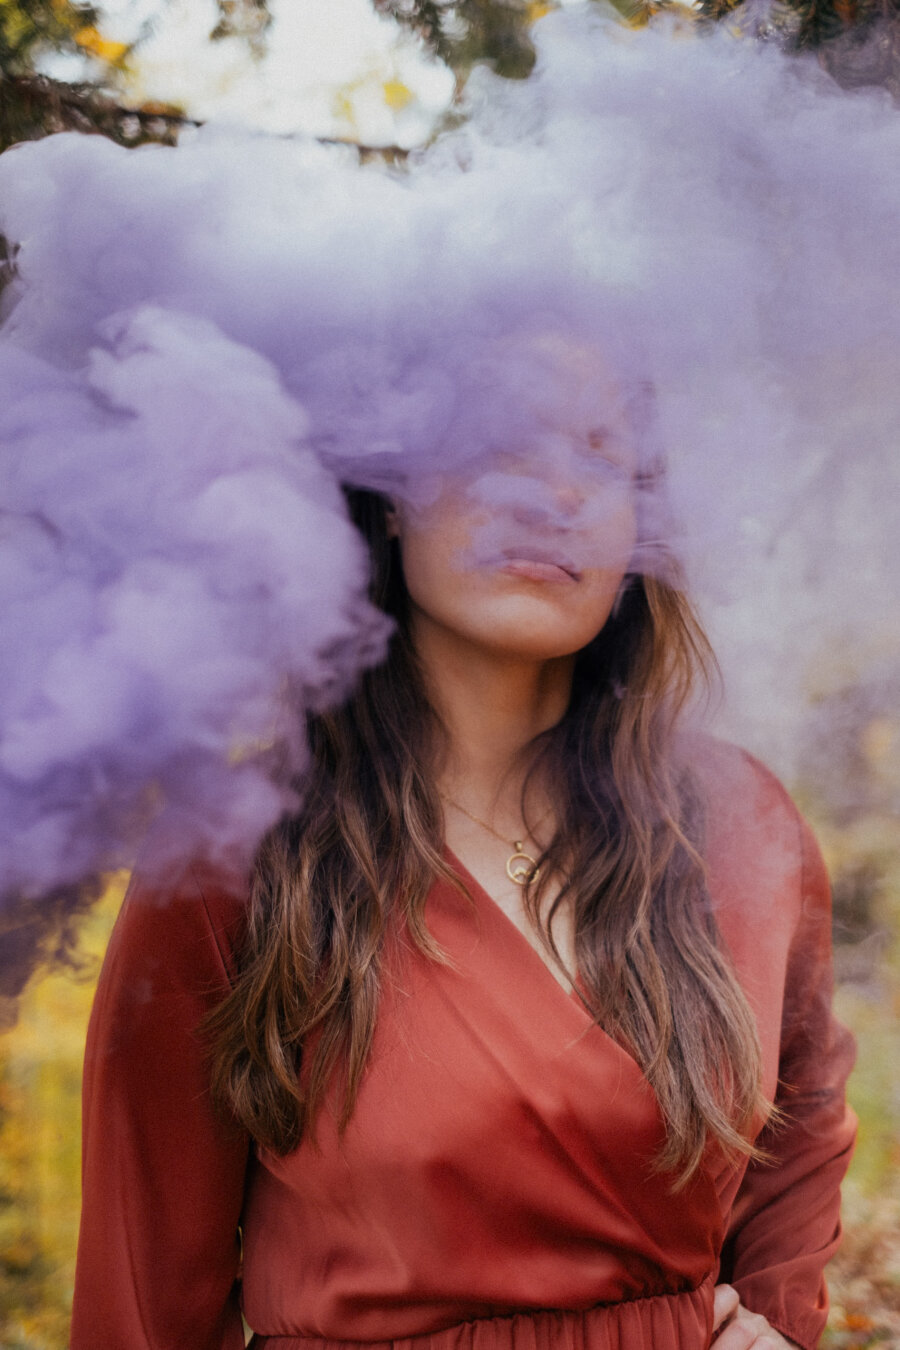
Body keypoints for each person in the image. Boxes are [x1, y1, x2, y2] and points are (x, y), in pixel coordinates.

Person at [70, 352, 856, 1350]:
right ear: (389, 496)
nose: (559, 493)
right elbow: (141, 1293)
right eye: (499, 444)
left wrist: (781, 1324)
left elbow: (805, 1115)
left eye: (603, 459)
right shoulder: (233, 850)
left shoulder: (736, 821)